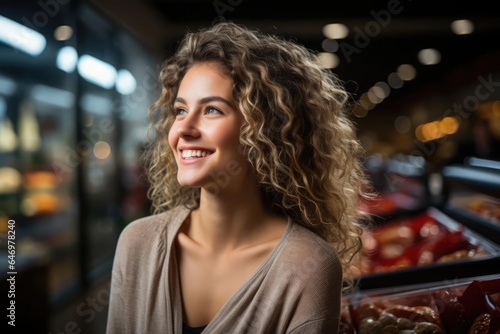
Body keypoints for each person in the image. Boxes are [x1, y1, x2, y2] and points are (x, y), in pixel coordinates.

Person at [106, 22, 372, 334]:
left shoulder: (309, 266)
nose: (183, 130)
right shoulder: (137, 242)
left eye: (212, 111)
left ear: (264, 129)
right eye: (180, 110)